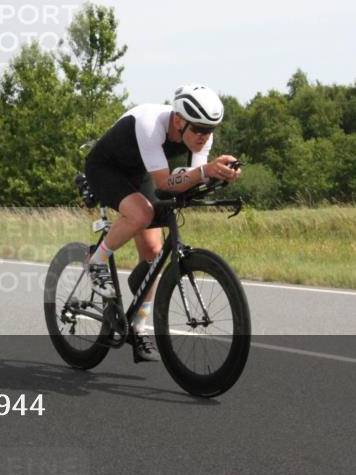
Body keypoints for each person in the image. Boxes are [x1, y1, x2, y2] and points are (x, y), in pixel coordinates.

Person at [83, 84, 242, 362]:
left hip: (141, 170)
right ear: (179, 121)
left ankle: (138, 327)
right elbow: (166, 183)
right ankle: (97, 261)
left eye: (211, 130)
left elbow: (190, 179)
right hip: (104, 168)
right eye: (200, 130)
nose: (205, 137)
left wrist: (217, 175)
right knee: (142, 213)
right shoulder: (150, 125)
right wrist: (204, 171)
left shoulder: (200, 135)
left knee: (154, 255)